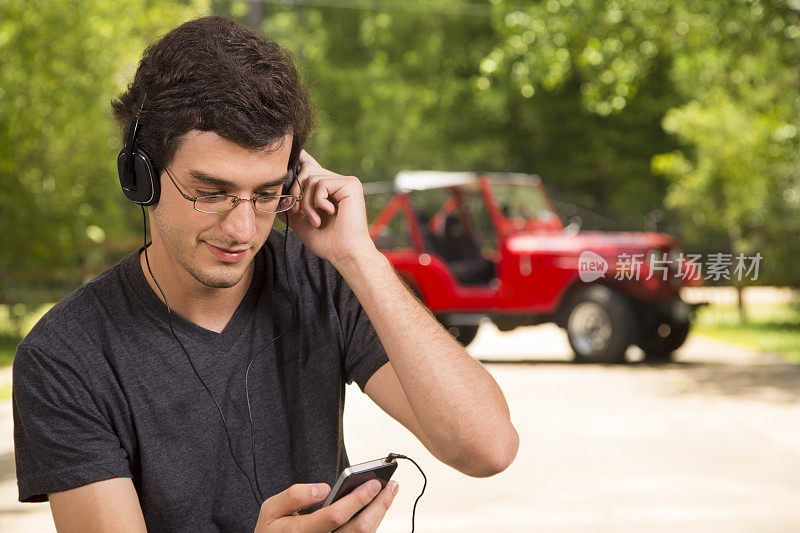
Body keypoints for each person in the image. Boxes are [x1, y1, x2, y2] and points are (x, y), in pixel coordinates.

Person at [12, 16, 519, 532]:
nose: (242, 228)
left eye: (266, 194)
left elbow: (488, 448)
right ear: (141, 176)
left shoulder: (321, 278)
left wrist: (359, 256)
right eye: (211, 193)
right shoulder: (65, 359)